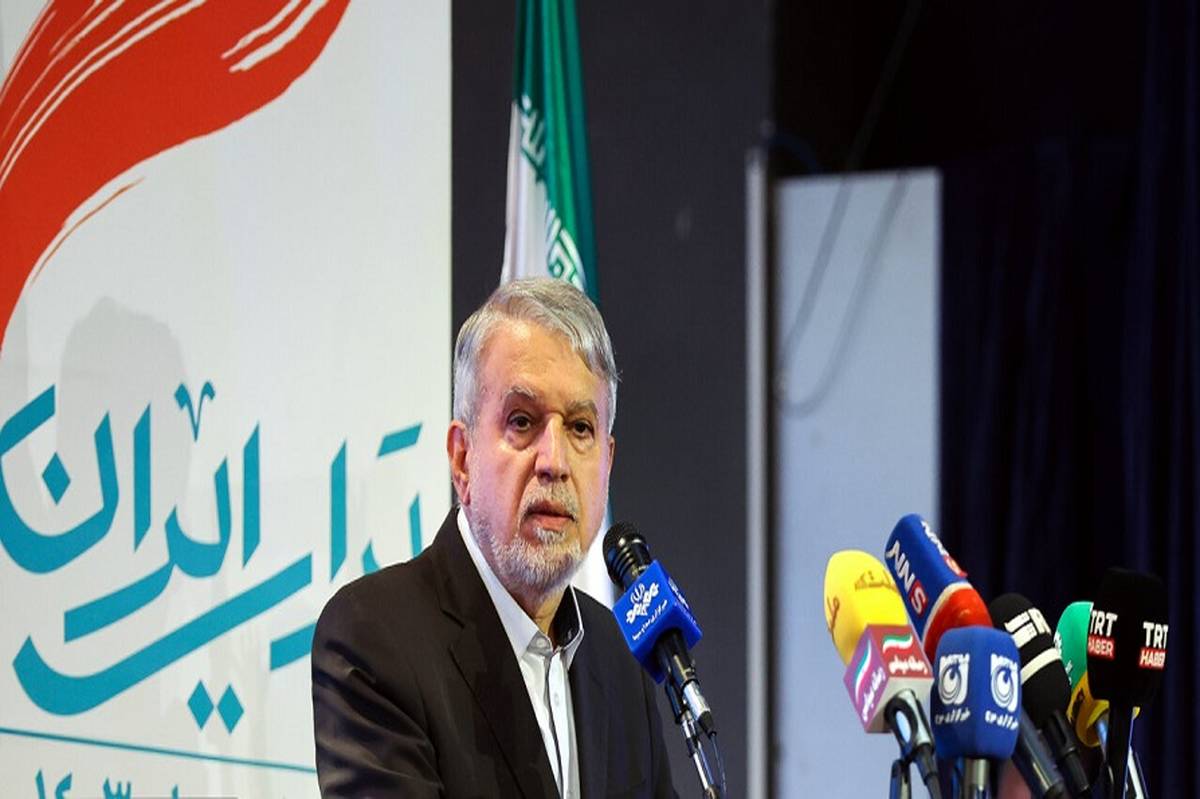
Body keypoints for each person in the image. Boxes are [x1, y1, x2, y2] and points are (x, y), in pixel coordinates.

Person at [312, 278, 677, 798]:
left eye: (580, 428)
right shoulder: (375, 638)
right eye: (522, 421)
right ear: (462, 458)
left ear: (607, 464)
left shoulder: (621, 665)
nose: (554, 462)